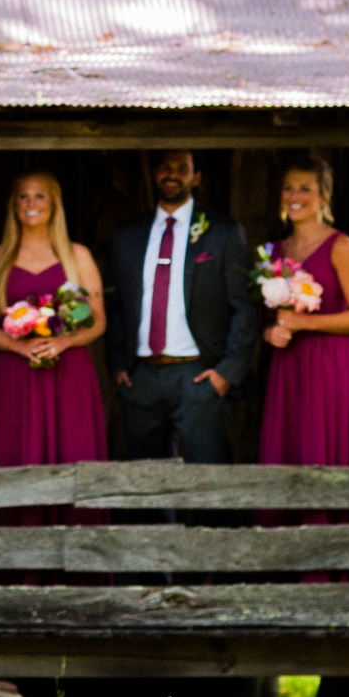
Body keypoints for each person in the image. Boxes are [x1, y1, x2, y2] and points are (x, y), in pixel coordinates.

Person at [257, 156, 349, 578]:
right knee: (290, 455)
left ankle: (340, 572)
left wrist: (304, 322)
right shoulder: (274, 252)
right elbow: (271, 319)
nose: (295, 197)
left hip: (332, 369)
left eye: (305, 189)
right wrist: (270, 333)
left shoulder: (341, 246)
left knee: (330, 455)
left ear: (323, 196)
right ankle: (287, 572)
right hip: (289, 370)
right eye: (289, 188)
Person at [0, 172, 108, 523]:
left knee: (73, 458)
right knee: (15, 459)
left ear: (54, 204)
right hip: (14, 377)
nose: (31, 204)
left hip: (68, 374)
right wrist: (18, 348)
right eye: (23, 197)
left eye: (39, 197)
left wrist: (64, 341)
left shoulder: (76, 255)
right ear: (13, 205)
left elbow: (97, 319)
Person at [108, 150, 257, 465]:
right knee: (146, 482)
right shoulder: (128, 235)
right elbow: (117, 305)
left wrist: (226, 374)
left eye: (182, 168)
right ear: (155, 173)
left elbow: (244, 308)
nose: (172, 175)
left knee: (210, 477)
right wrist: (119, 366)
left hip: (198, 375)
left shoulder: (223, 232)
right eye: (165, 167)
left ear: (197, 177)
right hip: (141, 378)